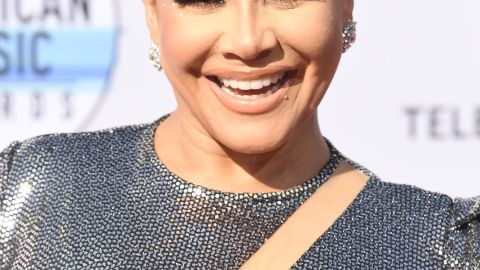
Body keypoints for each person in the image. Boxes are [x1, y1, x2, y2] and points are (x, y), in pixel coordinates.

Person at [0, 0, 478, 268]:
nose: (249, 42)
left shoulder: (440, 246)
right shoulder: (31, 190)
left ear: (345, 8)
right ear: (153, 14)